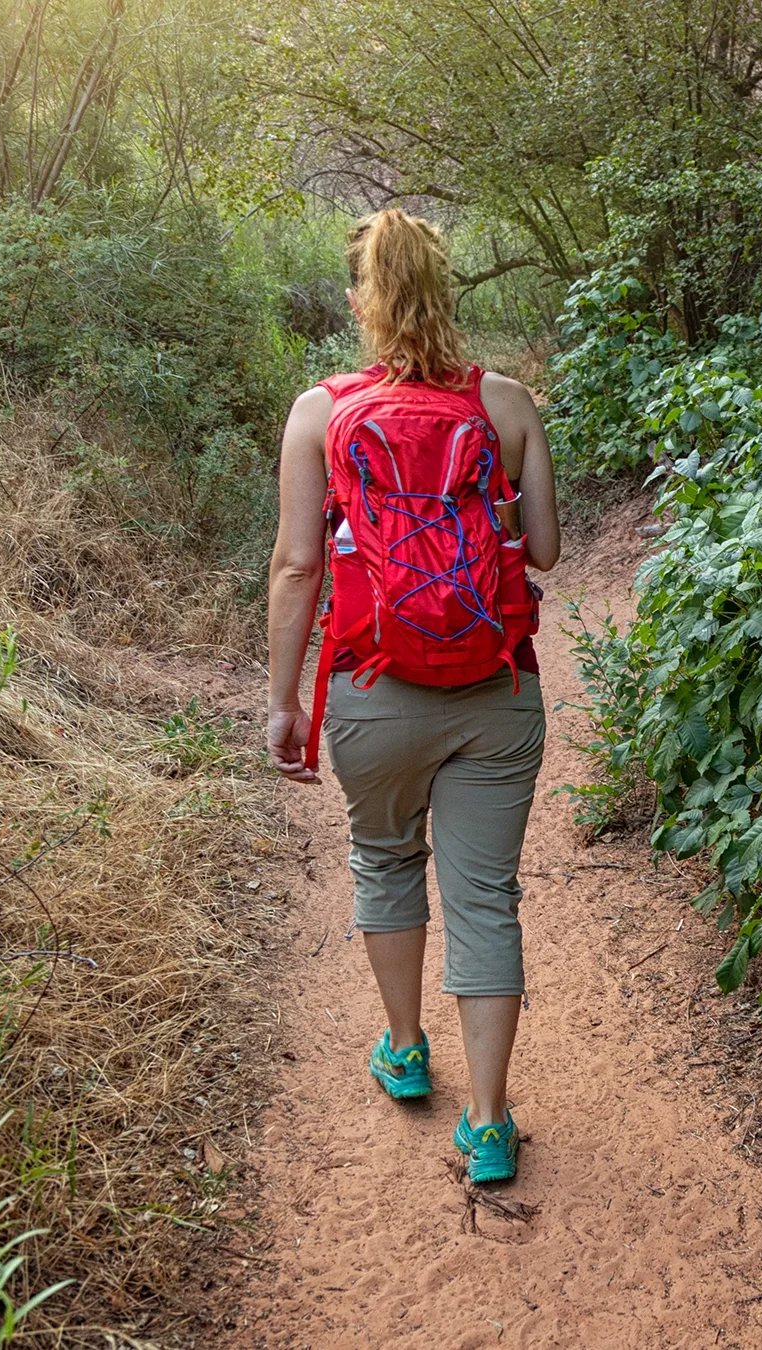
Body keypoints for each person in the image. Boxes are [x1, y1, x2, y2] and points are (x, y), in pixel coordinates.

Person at [264, 209, 560, 1184]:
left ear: (363, 303)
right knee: (485, 898)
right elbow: (546, 552)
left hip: (371, 690)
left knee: (385, 860)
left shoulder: (321, 413)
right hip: (495, 689)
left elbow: (299, 569)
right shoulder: (507, 404)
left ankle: (401, 1046)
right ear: (445, 293)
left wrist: (285, 704)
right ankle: (486, 1122)